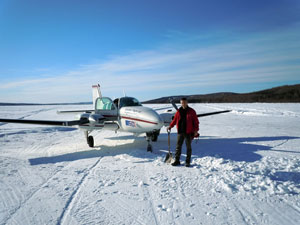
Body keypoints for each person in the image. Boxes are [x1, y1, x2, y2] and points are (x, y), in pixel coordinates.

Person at [167, 97, 199, 167]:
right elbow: (174, 120)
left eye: (184, 102)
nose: (183, 104)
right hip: (180, 132)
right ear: (180, 103)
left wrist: (196, 130)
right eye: (182, 103)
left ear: (187, 102)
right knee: (178, 147)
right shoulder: (178, 111)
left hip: (188, 132)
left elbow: (196, 122)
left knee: (188, 147)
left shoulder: (191, 111)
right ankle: (177, 160)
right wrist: (170, 126)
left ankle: (187, 162)